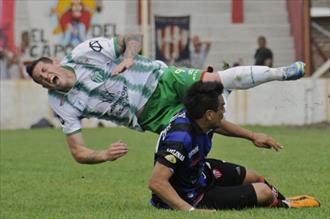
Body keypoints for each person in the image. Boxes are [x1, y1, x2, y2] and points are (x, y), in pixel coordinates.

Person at [26, 32, 305, 164]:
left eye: (44, 69)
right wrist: (103, 154)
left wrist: (127, 57)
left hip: (160, 79)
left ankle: (281, 72)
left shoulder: (84, 52)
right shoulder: (59, 103)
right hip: (150, 116)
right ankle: (250, 132)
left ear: (53, 61)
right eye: (41, 78)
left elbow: (132, 37)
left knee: (212, 80)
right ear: (42, 86)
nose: (46, 76)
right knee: (206, 122)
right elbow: (77, 151)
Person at [148, 81, 320, 211]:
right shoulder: (180, 139)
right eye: (221, 108)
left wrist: (253, 136)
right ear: (209, 114)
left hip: (198, 173)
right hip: (190, 196)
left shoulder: (198, 116)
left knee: (254, 177)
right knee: (263, 192)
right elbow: (156, 182)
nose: (224, 112)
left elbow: (221, 124)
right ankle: (283, 206)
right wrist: (191, 211)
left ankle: (284, 199)